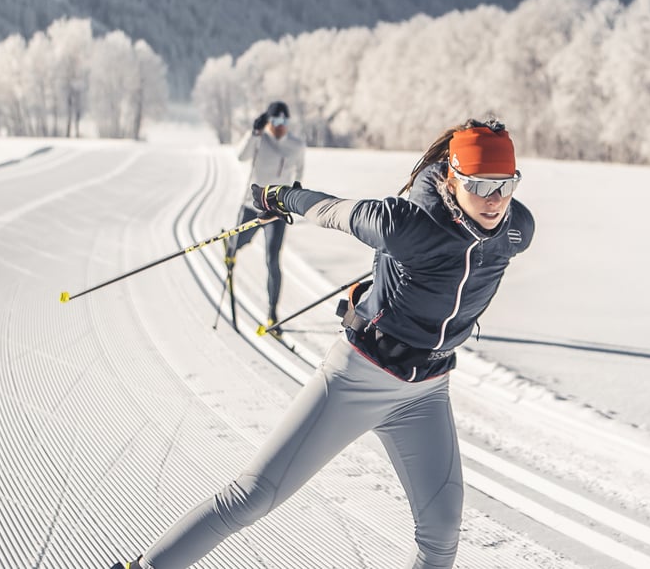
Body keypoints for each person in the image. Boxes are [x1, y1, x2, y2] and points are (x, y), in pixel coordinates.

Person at [114, 120, 534, 569]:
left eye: (505, 184)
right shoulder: (405, 225)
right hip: (359, 376)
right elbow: (332, 210)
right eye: (480, 185)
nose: (495, 200)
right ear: (452, 177)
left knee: (443, 533)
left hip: (426, 392)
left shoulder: (516, 230)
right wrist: (280, 197)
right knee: (255, 495)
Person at [229, 101, 306, 328]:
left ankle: (273, 314)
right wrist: (253, 133)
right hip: (252, 206)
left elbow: (300, 170)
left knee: (273, 259)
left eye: (284, 121)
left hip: (277, 210)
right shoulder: (259, 139)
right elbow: (240, 156)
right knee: (239, 242)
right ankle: (231, 249)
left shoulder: (296, 144)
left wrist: (297, 190)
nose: (280, 126)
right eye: (275, 121)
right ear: (269, 121)